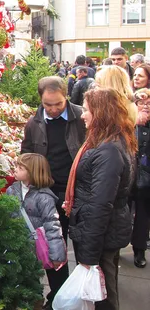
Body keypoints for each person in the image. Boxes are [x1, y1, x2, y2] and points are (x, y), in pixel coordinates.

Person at [64, 87, 136, 310]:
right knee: (102, 289)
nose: (82, 114)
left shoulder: (108, 151)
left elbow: (100, 204)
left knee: (102, 294)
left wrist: (89, 254)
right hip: (100, 230)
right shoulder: (110, 142)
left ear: (101, 113)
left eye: (87, 110)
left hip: (99, 234)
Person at [21, 77, 86, 308]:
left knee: (82, 247)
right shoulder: (34, 122)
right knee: (53, 248)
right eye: (48, 104)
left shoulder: (81, 117)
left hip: (77, 193)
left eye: (58, 104)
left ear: (66, 96)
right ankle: (57, 296)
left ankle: (82, 295)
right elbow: (26, 153)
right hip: (48, 195)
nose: (53, 109)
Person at [7, 153, 67, 286]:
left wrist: (57, 255)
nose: (15, 169)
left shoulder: (44, 197)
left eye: (20, 167)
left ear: (32, 172)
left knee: (31, 282)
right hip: (14, 245)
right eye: (16, 165)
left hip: (32, 248)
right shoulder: (12, 190)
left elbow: (52, 225)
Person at [132, 88, 150, 268]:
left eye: (149, 104)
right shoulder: (129, 122)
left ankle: (139, 249)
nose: (145, 107)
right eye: (142, 103)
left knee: (142, 215)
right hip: (128, 175)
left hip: (146, 178)